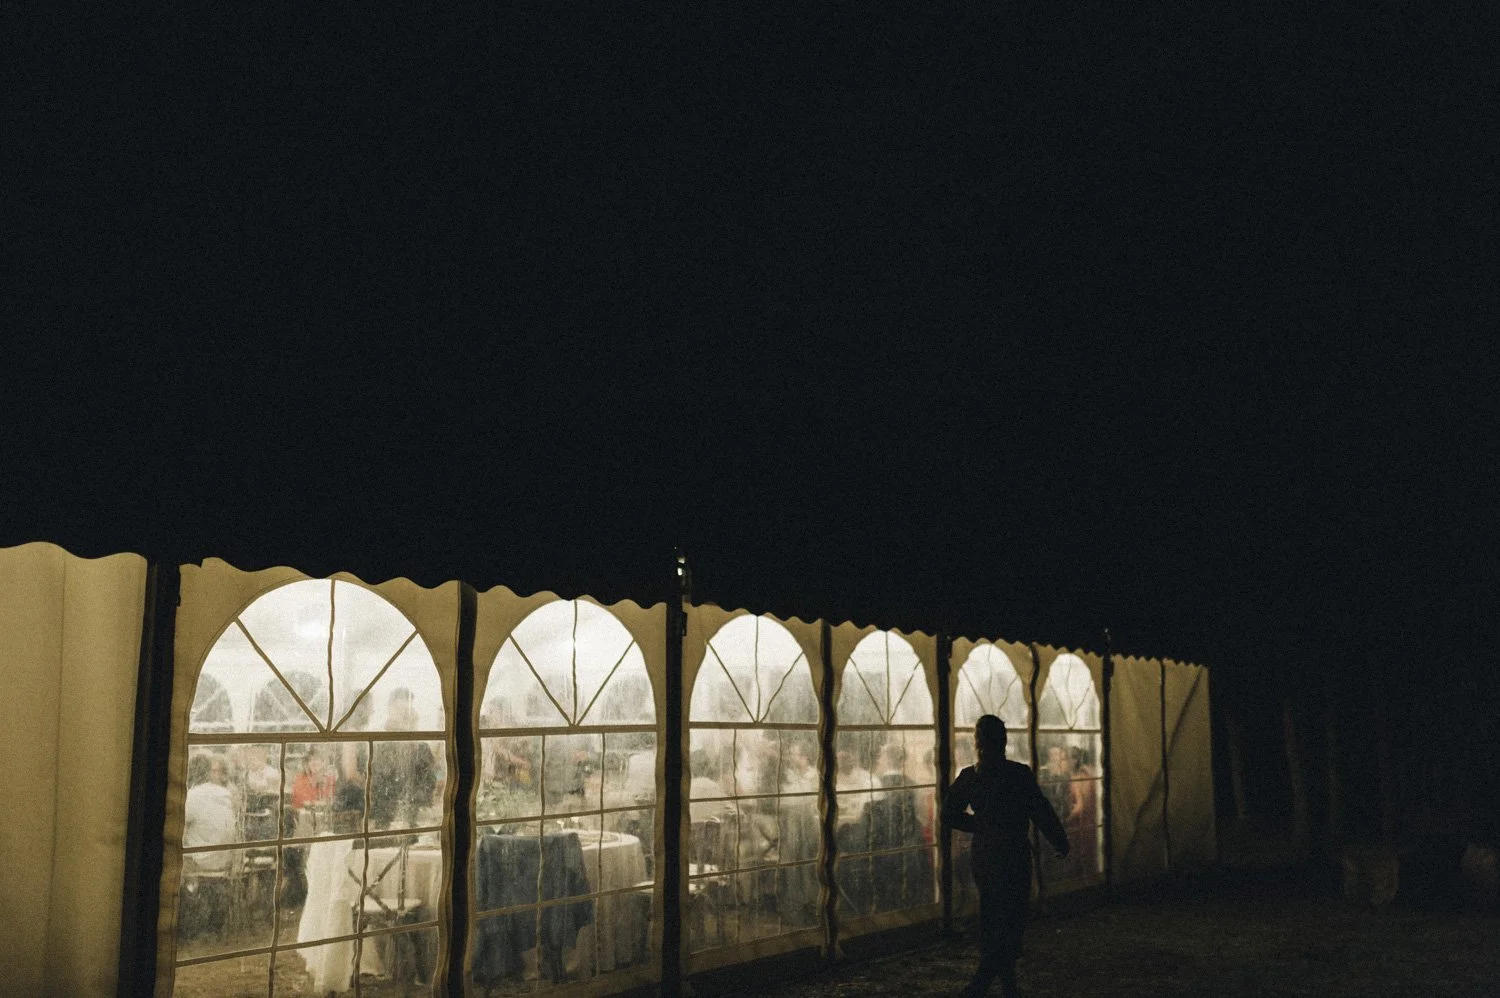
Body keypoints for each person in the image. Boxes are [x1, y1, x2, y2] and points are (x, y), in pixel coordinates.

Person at [942, 715, 1069, 998]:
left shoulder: (970, 776)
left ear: (977, 742)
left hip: (986, 853)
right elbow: (1041, 810)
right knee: (1012, 915)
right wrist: (1059, 839)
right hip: (1014, 852)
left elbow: (948, 814)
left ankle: (993, 978)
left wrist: (979, 825)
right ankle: (992, 978)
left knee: (992, 914)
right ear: (1005, 741)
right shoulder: (1018, 774)